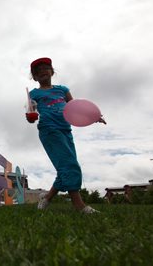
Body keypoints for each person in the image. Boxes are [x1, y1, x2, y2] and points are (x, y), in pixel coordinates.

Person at [26, 57, 105, 214]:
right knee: (69, 165)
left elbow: (75, 108)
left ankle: (47, 198)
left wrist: (93, 116)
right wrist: (30, 116)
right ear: (34, 77)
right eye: (37, 71)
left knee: (66, 165)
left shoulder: (63, 90)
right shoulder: (34, 94)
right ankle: (79, 205)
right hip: (49, 130)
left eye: (45, 68)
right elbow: (30, 112)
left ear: (52, 71)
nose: (42, 71)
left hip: (65, 130)